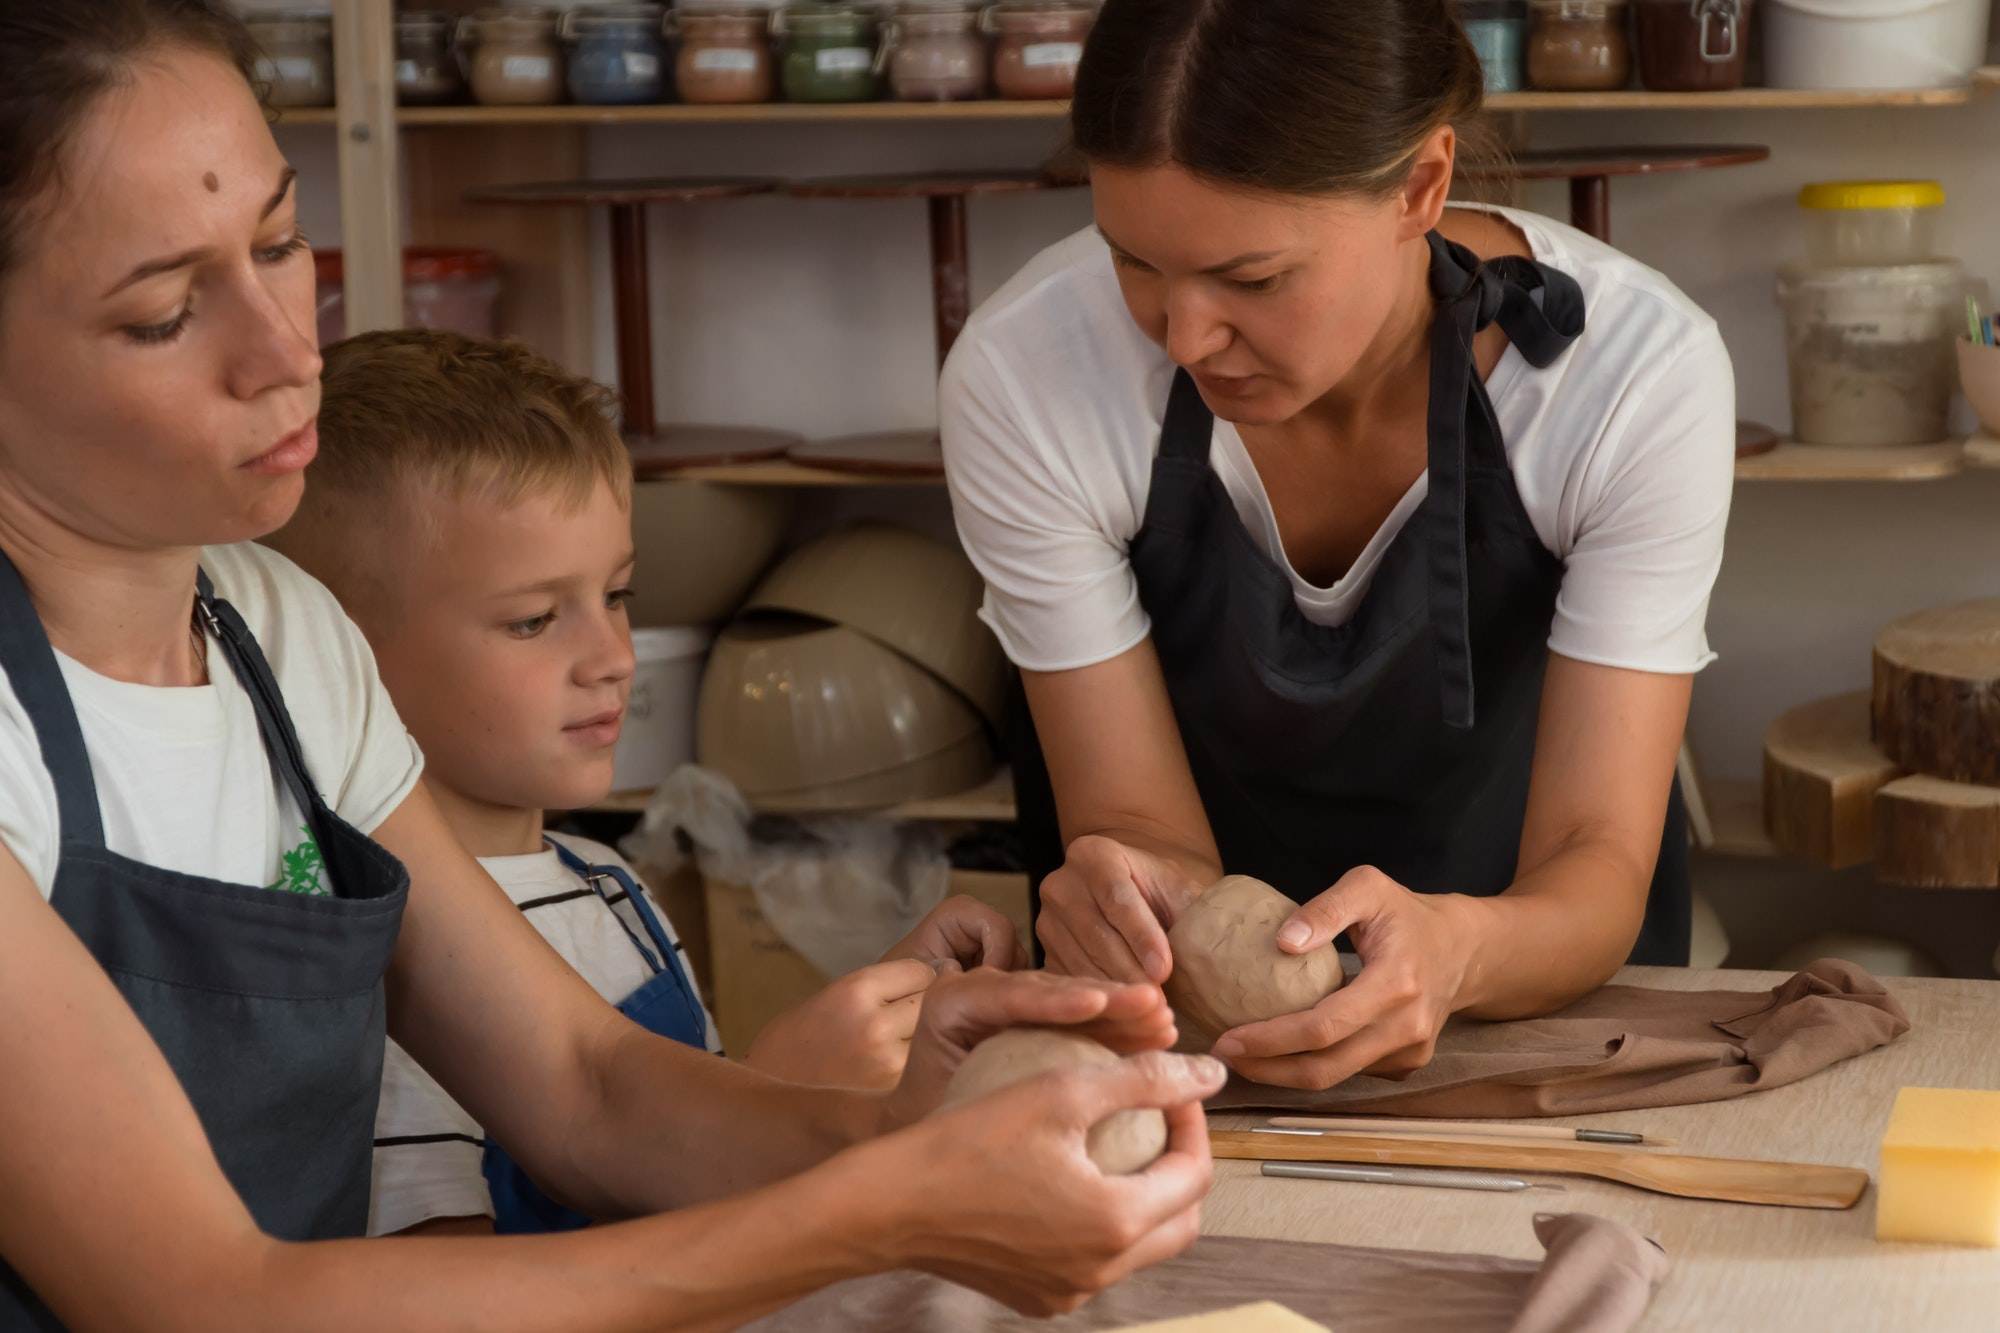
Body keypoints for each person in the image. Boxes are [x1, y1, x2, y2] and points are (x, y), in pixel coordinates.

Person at [0, 3, 1224, 1326]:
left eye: (284, 243)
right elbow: (205, 1299)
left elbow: (586, 1085)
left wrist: (899, 1120)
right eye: (168, 314)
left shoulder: (275, 631)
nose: (289, 350)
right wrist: (884, 1204)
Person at [940, 0, 1737, 1092]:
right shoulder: (1026, 371)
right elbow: (1130, 821)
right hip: (1195, 1044)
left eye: (1252, 279)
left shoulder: (1630, 379)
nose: (1182, 338)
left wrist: (1459, 956)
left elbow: (1590, 863)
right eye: (1129, 260)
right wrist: (1130, 899)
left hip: (1536, 1013)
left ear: (1420, 186)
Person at [268, 327, 1027, 1236]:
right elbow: (457, 1285)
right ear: (340, 659)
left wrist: (861, 1034)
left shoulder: (606, 880)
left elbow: (669, 1158)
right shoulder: (381, 968)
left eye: (618, 595)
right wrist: (781, 1084)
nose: (614, 657)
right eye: (535, 619)